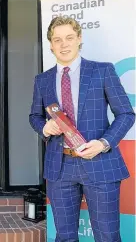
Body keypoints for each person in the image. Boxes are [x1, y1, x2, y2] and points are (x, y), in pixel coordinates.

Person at [29, 16, 135, 242]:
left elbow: (126, 114)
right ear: (50, 44)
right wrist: (45, 128)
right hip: (60, 167)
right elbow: (35, 116)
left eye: (69, 38)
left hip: (99, 163)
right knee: (65, 237)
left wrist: (104, 143)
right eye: (57, 39)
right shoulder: (43, 80)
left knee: (107, 236)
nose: (63, 44)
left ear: (79, 39)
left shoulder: (102, 71)